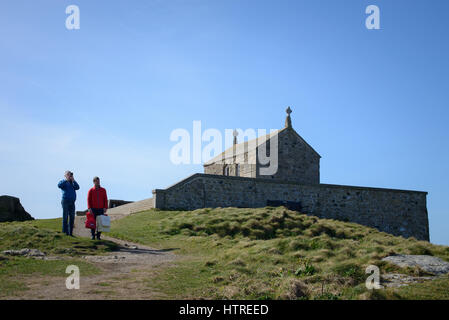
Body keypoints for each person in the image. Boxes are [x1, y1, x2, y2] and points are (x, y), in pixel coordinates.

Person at [58, 170, 80, 236]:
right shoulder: (63, 182)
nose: (70, 176)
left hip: (72, 202)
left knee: (72, 217)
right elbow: (59, 185)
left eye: (70, 175)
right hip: (65, 201)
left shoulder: (72, 183)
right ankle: (65, 232)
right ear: (65, 175)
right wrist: (66, 180)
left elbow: (78, 187)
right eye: (68, 174)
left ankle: (70, 233)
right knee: (65, 217)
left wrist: (73, 180)